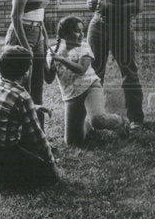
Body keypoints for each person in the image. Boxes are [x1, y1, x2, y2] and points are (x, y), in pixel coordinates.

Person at [0, 45, 62, 191]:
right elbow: (37, 136)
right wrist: (51, 164)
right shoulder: (22, 95)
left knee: (27, 155)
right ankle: (2, 178)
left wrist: (34, 107)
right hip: (4, 150)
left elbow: (8, 105)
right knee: (46, 176)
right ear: (26, 72)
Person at [86, 0, 146, 129]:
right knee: (94, 72)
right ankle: (94, 116)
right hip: (98, 27)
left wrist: (112, 6)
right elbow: (91, 2)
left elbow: (137, 6)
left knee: (128, 71)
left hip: (121, 28)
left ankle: (136, 118)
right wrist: (91, 3)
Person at [44, 16, 130, 145]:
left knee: (98, 120)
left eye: (82, 31)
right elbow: (49, 79)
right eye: (77, 31)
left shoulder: (84, 47)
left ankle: (121, 121)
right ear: (64, 34)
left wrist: (61, 59)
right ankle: (86, 123)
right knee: (72, 142)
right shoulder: (53, 52)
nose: (81, 35)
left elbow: (81, 69)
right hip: (72, 95)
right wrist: (44, 64)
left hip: (90, 88)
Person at [6, 0, 67, 125]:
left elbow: (39, 14)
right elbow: (15, 16)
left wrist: (45, 39)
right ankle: (22, 134)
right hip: (21, 33)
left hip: (38, 33)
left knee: (38, 85)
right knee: (22, 86)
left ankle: (39, 136)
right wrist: (25, 47)